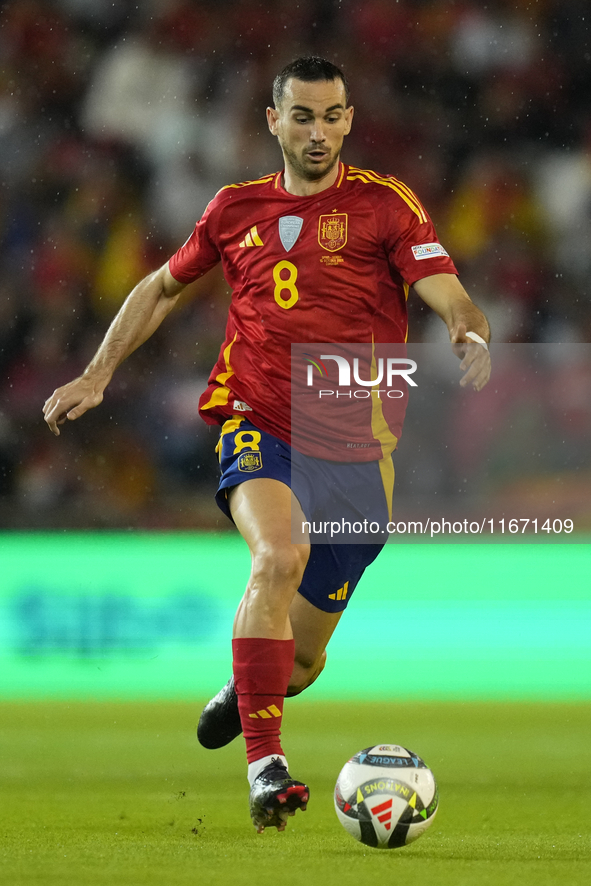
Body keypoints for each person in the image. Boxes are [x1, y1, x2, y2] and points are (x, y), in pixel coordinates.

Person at [43, 56, 491, 834]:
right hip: (261, 420)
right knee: (276, 558)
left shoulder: (385, 206)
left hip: (354, 445)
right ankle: (266, 769)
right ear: (272, 120)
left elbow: (443, 286)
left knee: (303, 663)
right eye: (303, 116)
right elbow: (159, 287)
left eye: (332, 115)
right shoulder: (232, 208)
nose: (318, 131)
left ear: (349, 120)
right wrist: (97, 373)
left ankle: (246, 689)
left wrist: (466, 329)